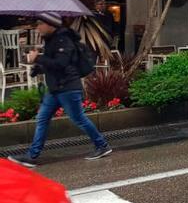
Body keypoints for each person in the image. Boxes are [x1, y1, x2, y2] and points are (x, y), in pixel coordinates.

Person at [8, 13, 112, 167]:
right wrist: (39, 68)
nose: (38, 28)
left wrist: (38, 59)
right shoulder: (51, 41)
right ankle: (32, 155)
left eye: (40, 24)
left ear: (51, 24)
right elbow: (53, 65)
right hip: (56, 89)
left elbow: (61, 64)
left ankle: (102, 145)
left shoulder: (64, 40)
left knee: (79, 119)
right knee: (42, 118)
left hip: (68, 88)